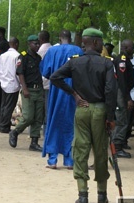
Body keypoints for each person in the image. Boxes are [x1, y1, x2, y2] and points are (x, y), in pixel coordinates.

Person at [50, 28, 117, 203]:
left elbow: (55, 77)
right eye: (101, 41)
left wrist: (74, 94)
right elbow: (111, 91)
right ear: (95, 42)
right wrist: (111, 117)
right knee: (101, 151)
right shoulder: (107, 63)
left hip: (82, 109)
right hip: (101, 110)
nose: (102, 44)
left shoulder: (75, 63)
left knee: (80, 149)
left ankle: (83, 196)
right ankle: (102, 195)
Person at [40, 30, 83, 169]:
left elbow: (46, 72)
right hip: (73, 92)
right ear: (70, 38)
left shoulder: (52, 51)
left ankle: (52, 160)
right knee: (71, 124)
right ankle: (70, 160)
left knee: (54, 122)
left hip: (57, 91)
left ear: (60, 37)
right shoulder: (78, 50)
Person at [9, 35, 44, 151]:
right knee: (28, 117)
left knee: (38, 117)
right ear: (29, 44)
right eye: (35, 44)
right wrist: (24, 88)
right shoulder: (23, 56)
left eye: (38, 43)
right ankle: (15, 132)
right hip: (28, 90)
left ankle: (34, 142)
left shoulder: (38, 58)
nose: (37, 46)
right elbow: (20, 73)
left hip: (39, 90)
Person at [0, 37, 20, 133]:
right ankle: (4, 126)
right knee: (9, 106)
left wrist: (1, 75)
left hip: (3, 83)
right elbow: (19, 72)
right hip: (13, 84)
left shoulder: (3, 56)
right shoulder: (17, 56)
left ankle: (1, 123)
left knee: (3, 105)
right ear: (16, 44)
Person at [112, 39, 134, 158]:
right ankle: (117, 147)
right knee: (122, 120)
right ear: (126, 47)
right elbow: (122, 81)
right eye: (132, 47)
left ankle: (118, 145)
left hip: (123, 93)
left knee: (123, 120)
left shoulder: (125, 59)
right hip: (121, 93)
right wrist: (128, 98)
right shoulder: (122, 59)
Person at [37, 30, 52, 135]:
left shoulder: (40, 51)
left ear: (41, 39)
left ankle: (40, 131)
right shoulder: (53, 49)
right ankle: (47, 131)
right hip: (51, 83)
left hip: (42, 83)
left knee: (40, 109)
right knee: (48, 109)